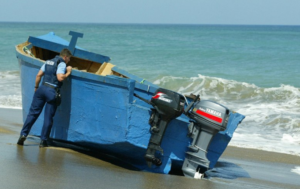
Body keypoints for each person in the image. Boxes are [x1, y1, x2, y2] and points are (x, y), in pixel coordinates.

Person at [17, 48, 72, 148]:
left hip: (41, 89)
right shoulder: (62, 63)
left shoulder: (48, 62)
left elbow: (38, 75)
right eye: (69, 59)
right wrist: (68, 72)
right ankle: (43, 141)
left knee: (32, 114)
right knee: (48, 118)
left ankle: (23, 135)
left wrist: (36, 87)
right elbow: (60, 77)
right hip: (52, 91)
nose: (69, 61)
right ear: (65, 57)